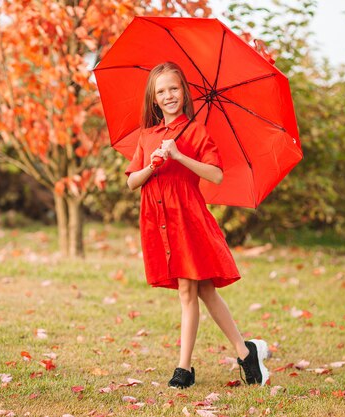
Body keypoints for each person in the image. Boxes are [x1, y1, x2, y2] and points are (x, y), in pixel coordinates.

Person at [125, 62, 270, 389]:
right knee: (203, 289)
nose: (168, 95)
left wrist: (178, 155)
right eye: (161, 92)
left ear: (183, 92)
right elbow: (132, 181)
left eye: (173, 88)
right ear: (154, 100)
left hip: (187, 217)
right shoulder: (147, 136)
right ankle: (245, 351)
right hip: (159, 220)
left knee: (190, 290)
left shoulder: (195, 132)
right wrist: (152, 165)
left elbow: (216, 175)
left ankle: (184, 369)